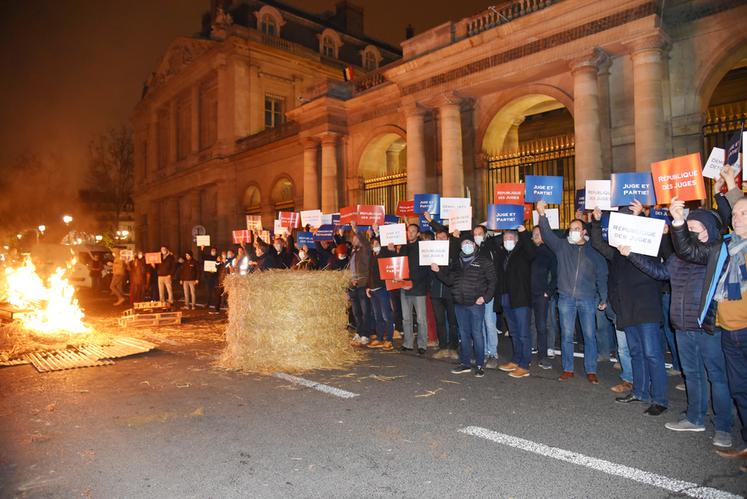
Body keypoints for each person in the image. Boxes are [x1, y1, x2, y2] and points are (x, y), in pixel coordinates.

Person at [623, 207, 733, 446]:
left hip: (705, 325)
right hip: (682, 325)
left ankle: (724, 427)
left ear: (708, 231)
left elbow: (690, 249)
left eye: (693, 227)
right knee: (692, 374)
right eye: (687, 227)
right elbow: (660, 272)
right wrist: (632, 254)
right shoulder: (678, 257)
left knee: (716, 375)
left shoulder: (714, 251)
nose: (688, 231)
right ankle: (695, 417)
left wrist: (678, 223)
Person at [669, 167, 746, 465]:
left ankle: (725, 428)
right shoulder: (724, 248)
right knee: (735, 384)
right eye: (735, 215)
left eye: (741, 214)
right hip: (726, 326)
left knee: (722, 379)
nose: (735, 218)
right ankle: (706, 421)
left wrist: (727, 186)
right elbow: (688, 251)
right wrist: (678, 221)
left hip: (719, 328)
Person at [591, 204, 667, 415]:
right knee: (636, 353)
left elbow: (660, 246)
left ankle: (659, 399)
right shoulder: (616, 252)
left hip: (646, 308)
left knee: (652, 354)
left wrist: (640, 216)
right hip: (627, 309)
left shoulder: (648, 245)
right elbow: (597, 243)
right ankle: (640, 392)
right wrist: (596, 222)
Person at [537, 200, 608, 383]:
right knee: (567, 335)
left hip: (587, 299)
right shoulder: (562, 247)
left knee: (589, 335)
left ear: (584, 232)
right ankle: (568, 369)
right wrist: (542, 214)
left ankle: (591, 369)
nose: (573, 231)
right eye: (571, 229)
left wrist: (604, 296)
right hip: (566, 298)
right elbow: (547, 234)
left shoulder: (594, 251)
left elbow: (601, 274)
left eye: (577, 228)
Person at [432, 238, 496, 377]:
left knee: (477, 334)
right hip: (459, 304)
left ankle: (479, 365)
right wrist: (438, 271)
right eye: (464, 244)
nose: (467, 245)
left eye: (469, 243)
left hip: (475, 304)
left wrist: (485, 298)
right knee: (464, 334)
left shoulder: (484, 261)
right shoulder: (457, 263)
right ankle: (465, 363)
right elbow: (449, 281)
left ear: (474, 245)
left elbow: (493, 281)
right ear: (461, 247)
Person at [494, 227, 536, 378]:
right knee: (514, 332)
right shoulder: (503, 254)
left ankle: (525, 364)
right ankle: (516, 359)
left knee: (524, 333)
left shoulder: (524, 252)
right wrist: (496, 226)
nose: (507, 241)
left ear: (517, 240)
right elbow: (492, 243)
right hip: (506, 298)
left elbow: (532, 249)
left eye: (511, 238)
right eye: (505, 239)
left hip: (521, 298)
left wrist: (523, 231)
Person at [397, 224, 431, 355]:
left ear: (417, 234)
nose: (410, 233)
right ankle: (408, 343)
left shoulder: (423, 247)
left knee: (421, 319)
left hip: (419, 287)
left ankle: (422, 344)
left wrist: (413, 282)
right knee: (406, 318)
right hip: (404, 287)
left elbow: (425, 269)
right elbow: (398, 266)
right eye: (408, 231)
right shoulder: (403, 247)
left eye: (413, 231)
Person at [429, 227, 460, 359]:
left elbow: (452, 276)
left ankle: (453, 348)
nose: (441, 239)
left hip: (450, 293)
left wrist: (438, 271)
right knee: (440, 321)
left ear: (448, 239)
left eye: (443, 237)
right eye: (438, 237)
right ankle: (442, 347)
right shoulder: (430, 253)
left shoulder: (453, 253)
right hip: (435, 293)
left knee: (453, 321)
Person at [530, 225, 557, 369]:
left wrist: (549, 291)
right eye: (534, 233)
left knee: (541, 326)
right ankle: (527, 353)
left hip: (541, 295)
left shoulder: (549, 252)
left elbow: (555, 274)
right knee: (529, 324)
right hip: (528, 294)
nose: (536, 235)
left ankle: (543, 357)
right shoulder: (529, 251)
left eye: (539, 233)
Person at [366, 235, 395, 351]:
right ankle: (379, 337)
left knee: (386, 315)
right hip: (373, 290)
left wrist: (377, 230)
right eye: (373, 243)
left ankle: (389, 339)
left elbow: (391, 264)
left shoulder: (384, 254)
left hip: (382, 289)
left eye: (377, 243)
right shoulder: (372, 256)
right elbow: (370, 273)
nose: (375, 245)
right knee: (377, 316)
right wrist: (368, 287)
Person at [348, 221, 373, 347]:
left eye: (356, 237)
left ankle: (366, 335)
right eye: (353, 237)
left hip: (362, 284)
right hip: (353, 285)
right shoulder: (354, 252)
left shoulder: (365, 250)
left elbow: (366, 244)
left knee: (365, 311)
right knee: (356, 312)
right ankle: (359, 331)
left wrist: (356, 230)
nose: (354, 239)